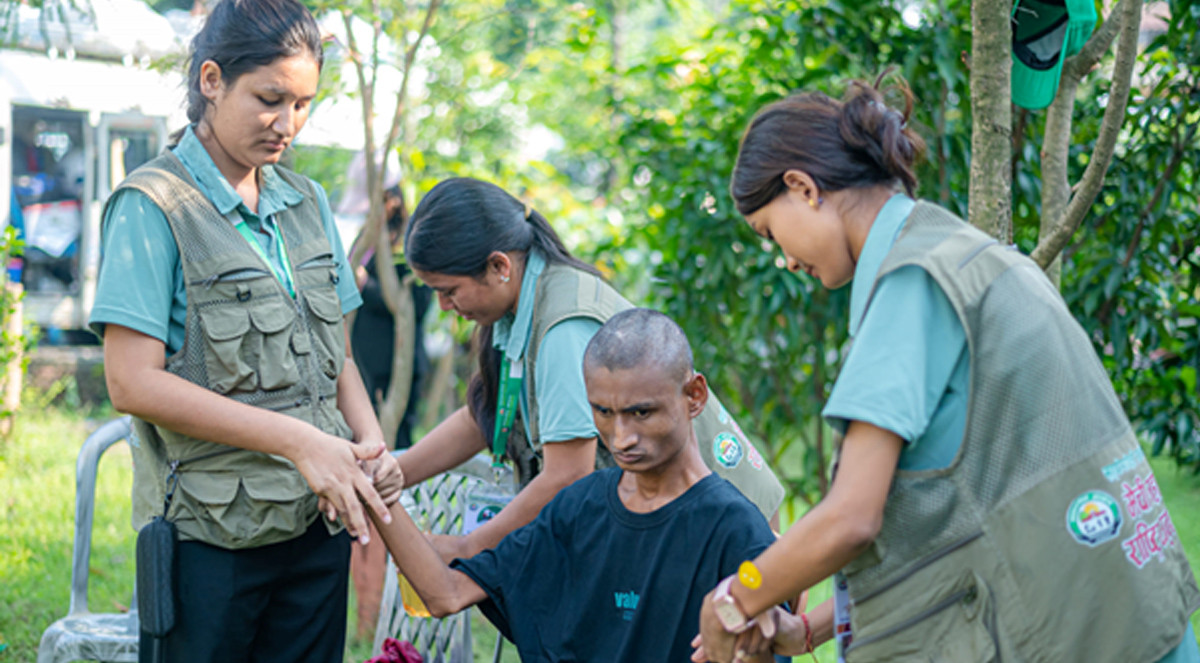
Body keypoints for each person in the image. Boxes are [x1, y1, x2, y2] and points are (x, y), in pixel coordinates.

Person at [693, 74, 1200, 663]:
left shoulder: (915, 284)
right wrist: (806, 630)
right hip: (1125, 617)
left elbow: (852, 517)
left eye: (768, 232)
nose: (784, 258)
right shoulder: (971, 256)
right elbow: (965, 514)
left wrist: (736, 596)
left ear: (803, 188)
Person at [89, 0, 401, 660]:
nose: (286, 123)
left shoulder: (307, 200)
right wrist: (298, 441)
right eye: (269, 98)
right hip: (212, 540)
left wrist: (369, 443)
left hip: (317, 528)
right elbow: (131, 382)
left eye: (303, 104)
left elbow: (335, 353)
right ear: (211, 81)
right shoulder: (153, 207)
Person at [398, 177, 786, 564]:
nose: (444, 305)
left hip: (727, 531)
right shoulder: (520, 305)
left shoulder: (563, 326)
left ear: (499, 265)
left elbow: (566, 476)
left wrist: (468, 547)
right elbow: (482, 416)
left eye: (449, 290)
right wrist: (395, 474)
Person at [372, 308, 784, 662]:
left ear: (694, 396)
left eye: (641, 413)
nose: (620, 437)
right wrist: (375, 493)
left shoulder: (735, 530)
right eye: (603, 411)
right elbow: (445, 594)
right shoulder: (578, 508)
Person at [348, 184, 433, 640]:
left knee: (378, 501)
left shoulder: (406, 267)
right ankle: (363, 621)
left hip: (392, 395)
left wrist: (370, 283)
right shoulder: (361, 260)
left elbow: (409, 306)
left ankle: (371, 620)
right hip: (361, 394)